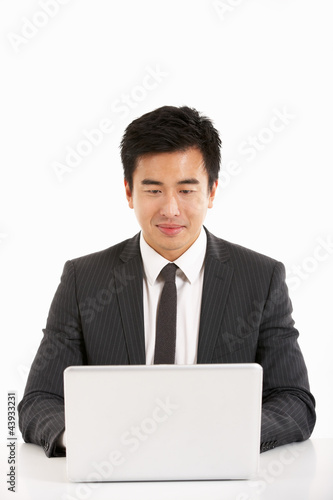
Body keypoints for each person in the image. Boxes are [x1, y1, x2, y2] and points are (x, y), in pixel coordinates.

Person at [18, 105, 316, 457]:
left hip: (220, 476)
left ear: (212, 191)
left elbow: (295, 402)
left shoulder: (261, 279)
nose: (171, 209)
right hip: (112, 473)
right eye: (154, 190)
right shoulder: (84, 280)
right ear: (129, 192)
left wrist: (224, 437)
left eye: (187, 190)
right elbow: (39, 401)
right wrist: (85, 440)